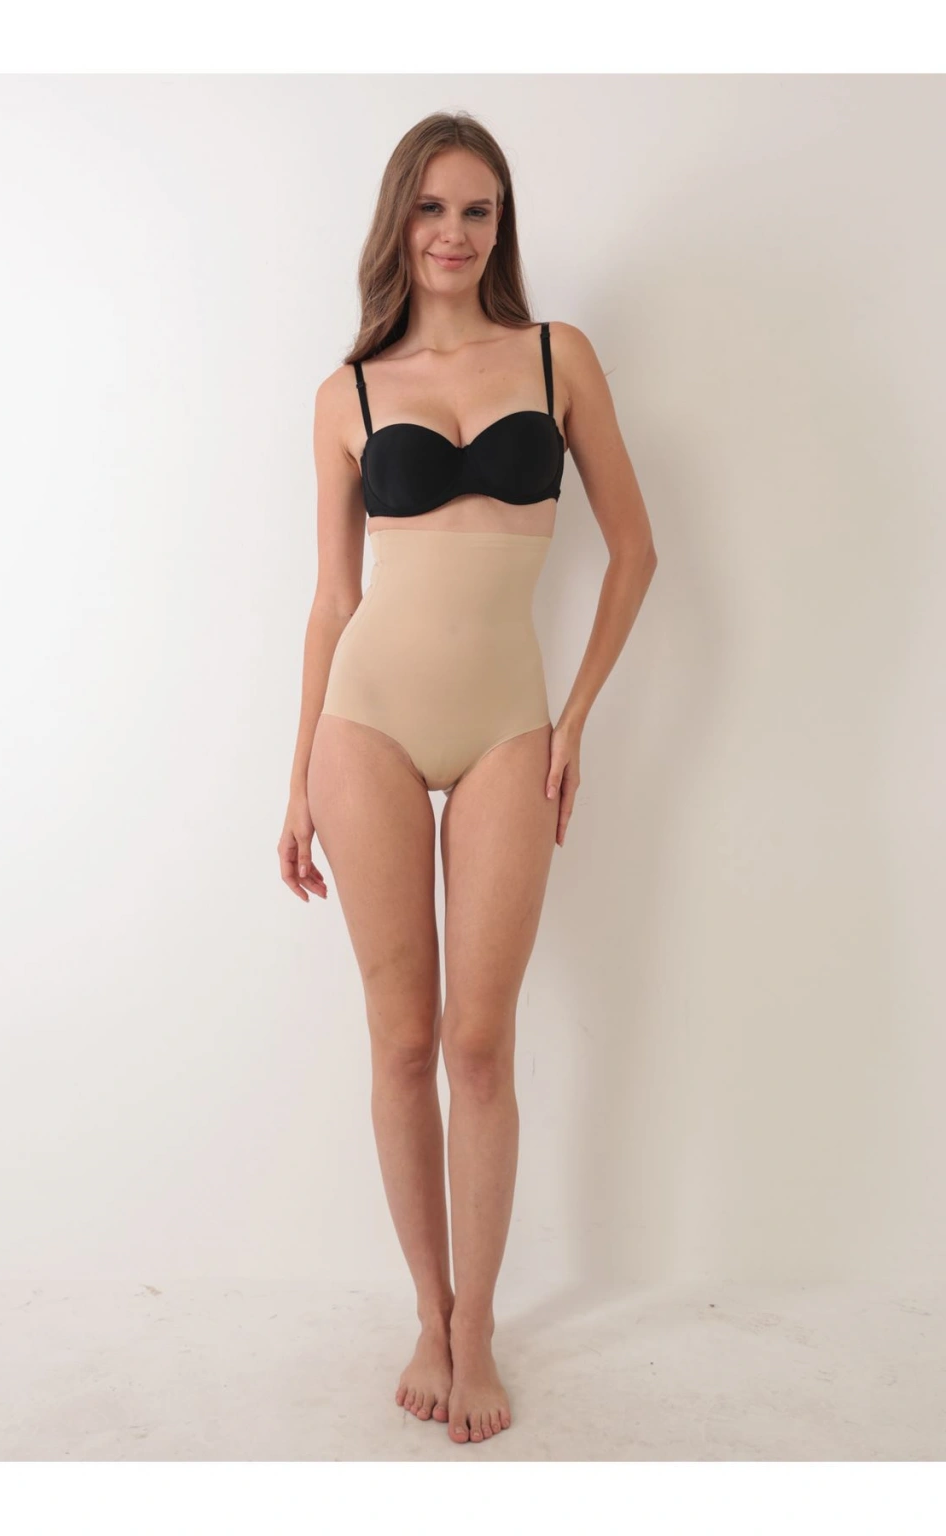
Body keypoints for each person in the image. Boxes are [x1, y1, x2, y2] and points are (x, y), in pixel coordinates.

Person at [278, 111, 657, 1445]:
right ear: (401, 222)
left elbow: (635, 551)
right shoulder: (347, 392)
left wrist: (575, 722)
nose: (454, 232)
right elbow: (334, 601)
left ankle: (480, 1328)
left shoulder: (558, 357)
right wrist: (295, 778)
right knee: (401, 1041)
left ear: (502, 228)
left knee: (479, 1045)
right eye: (433, 208)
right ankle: (428, 1317)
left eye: (478, 210)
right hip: (366, 725)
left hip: (508, 727)